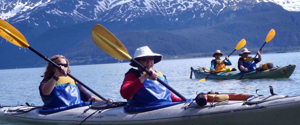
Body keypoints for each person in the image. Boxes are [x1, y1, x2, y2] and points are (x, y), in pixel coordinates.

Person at [121, 46, 184, 112]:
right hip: (142, 110)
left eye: (151, 59)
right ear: (137, 63)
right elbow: (125, 94)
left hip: (165, 108)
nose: (149, 62)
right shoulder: (132, 75)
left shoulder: (160, 76)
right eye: (144, 60)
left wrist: (190, 101)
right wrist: (144, 77)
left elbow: (171, 98)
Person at [39, 55, 104, 113]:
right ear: (52, 68)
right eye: (59, 65)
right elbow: (45, 93)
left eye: (65, 65)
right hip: (55, 111)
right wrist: (56, 75)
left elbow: (88, 98)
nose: (62, 67)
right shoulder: (46, 81)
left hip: (75, 110)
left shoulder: (74, 81)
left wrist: (104, 101)